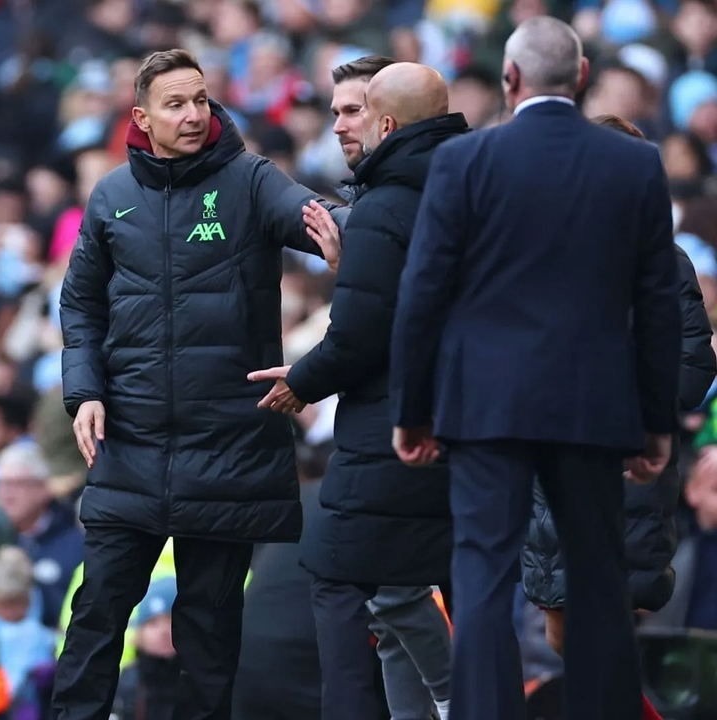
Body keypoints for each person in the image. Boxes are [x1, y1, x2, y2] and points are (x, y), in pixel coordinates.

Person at [388, 16, 682, 720]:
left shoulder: (464, 162)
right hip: (593, 403)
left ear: (510, 79)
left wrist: (412, 409)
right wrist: (655, 421)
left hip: (486, 403)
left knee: (483, 577)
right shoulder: (635, 163)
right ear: (581, 79)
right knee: (599, 577)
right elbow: (660, 301)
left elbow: (423, 292)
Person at [55, 48, 345, 720]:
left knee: (210, 638)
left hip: (230, 451)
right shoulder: (111, 196)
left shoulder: (249, 181)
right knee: (95, 616)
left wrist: (355, 233)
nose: (192, 115)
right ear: (141, 117)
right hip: (129, 448)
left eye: (201, 101)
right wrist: (85, 390)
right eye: (176, 104)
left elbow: (320, 216)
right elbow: (80, 305)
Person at [249, 61, 466, 720]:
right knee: (410, 601)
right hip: (460, 423)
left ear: (387, 119)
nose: (342, 123)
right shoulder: (467, 188)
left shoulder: (384, 204)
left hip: (400, 428)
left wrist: (305, 382)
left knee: (362, 582)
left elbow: (367, 330)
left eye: (353, 110)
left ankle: (466, 698)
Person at [520, 113, 716, 720]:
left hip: (621, 465)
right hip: (549, 466)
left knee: (599, 630)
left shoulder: (662, 261)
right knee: (562, 632)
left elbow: (694, 367)